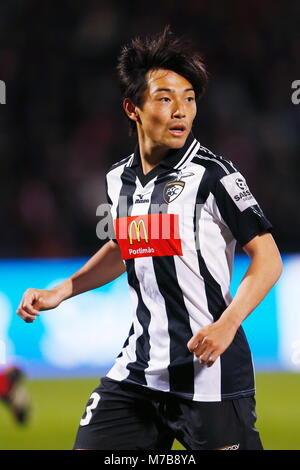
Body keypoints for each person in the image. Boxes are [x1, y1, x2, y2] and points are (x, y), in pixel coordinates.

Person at [17, 27, 282, 450]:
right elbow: (123, 247)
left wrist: (227, 325)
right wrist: (61, 291)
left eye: (189, 99)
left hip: (207, 371)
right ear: (132, 109)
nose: (181, 110)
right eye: (165, 98)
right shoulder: (117, 180)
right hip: (139, 372)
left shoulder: (215, 176)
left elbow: (268, 259)